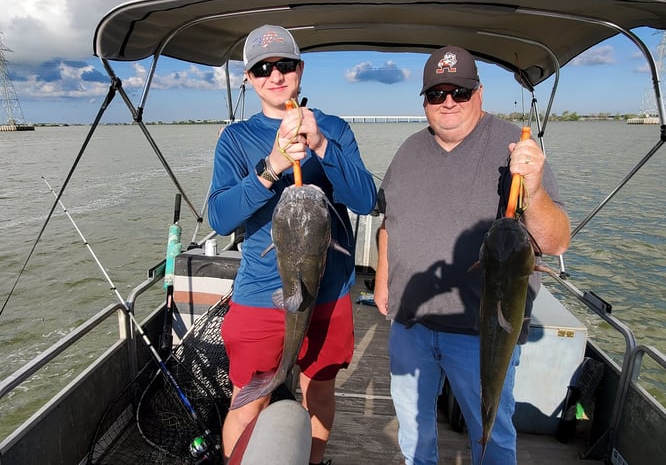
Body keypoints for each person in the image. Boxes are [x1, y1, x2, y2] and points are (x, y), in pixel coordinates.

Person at [373, 46, 571, 465]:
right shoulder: (408, 151)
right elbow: (389, 221)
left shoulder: (516, 151)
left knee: (493, 433)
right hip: (411, 327)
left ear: (479, 94)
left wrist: (532, 190)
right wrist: (381, 280)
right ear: (424, 101)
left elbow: (555, 243)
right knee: (414, 434)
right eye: (437, 94)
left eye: (459, 92)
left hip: (484, 334)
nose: (448, 102)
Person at [208, 25, 377, 464]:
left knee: (319, 389)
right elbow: (221, 217)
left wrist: (321, 144)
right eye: (263, 68)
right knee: (247, 402)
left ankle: (314, 459)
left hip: (330, 291)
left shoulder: (335, 128)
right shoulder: (236, 139)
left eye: (284, 64)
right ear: (249, 78)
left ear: (300, 69)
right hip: (261, 295)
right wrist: (271, 167)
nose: (275, 74)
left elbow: (364, 199)